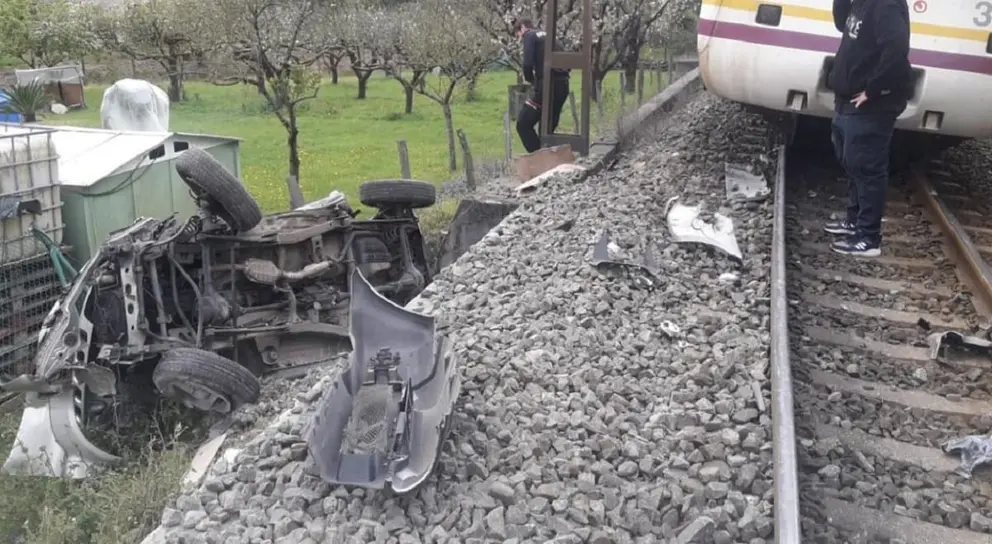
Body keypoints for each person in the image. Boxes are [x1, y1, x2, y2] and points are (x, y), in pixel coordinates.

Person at [822, 0, 911, 257]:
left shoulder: (886, 4)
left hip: (873, 103)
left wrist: (872, 90)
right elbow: (843, 24)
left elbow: (896, 48)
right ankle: (854, 220)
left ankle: (869, 238)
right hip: (848, 97)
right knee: (851, 161)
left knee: (867, 167)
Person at [514, 18, 570, 153]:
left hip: (546, 86)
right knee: (546, 130)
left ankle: (539, 158)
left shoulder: (529, 35)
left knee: (523, 124)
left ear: (522, 28)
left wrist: (531, 81)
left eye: (518, 35)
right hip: (563, 86)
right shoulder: (550, 37)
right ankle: (550, 158)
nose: (520, 39)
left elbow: (527, 64)